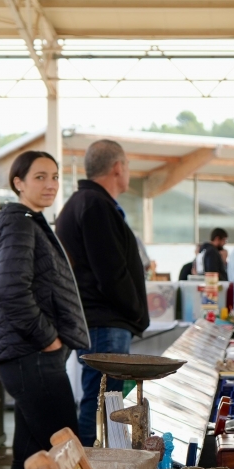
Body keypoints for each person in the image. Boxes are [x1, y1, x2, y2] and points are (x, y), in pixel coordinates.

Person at [0, 150, 89, 469]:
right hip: (31, 356)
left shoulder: (31, 221)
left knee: (28, 456)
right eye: (39, 177)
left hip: (33, 355)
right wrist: (47, 338)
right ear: (18, 182)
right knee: (67, 451)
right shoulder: (16, 221)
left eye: (54, 177)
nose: (50, 184)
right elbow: (12, 291)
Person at [56, 139, 148, 447]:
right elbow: (110, 272)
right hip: (105, 321)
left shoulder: (84, 203)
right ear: (118, 167)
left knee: (103, 399)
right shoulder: (95, 205)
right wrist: (134, 310)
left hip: (100, 319)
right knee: (103, 402)